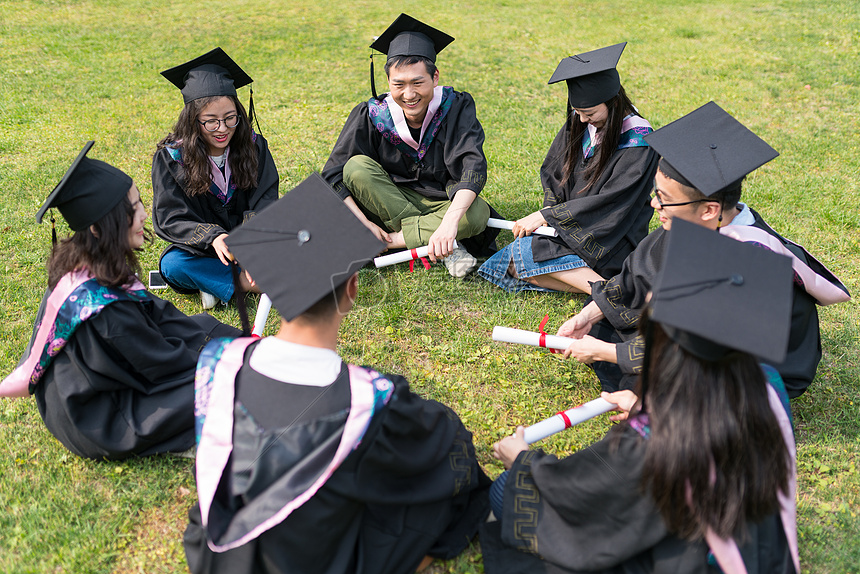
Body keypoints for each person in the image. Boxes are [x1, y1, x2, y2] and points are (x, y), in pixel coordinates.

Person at [183, 174, 491, 574]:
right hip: (308, 558)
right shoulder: (368, 401)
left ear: (272, 293)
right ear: (352, 289)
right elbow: (441, 445)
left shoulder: (218, 364)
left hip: (219, 557)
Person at [481, 220, 800, 573]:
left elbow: (579, 489)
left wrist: (523, 460)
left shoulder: (656, 440)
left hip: (690, 559)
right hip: (752, 545)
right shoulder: (764, 385)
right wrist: (639, 405)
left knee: (504, 491)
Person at [557, 102, 849, 397]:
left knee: (661, 390)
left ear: (709, 209)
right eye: (656, 193)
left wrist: (607, 353)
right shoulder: (694, 222)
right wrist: (589, 317)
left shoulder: (748, 262)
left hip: (750, 371)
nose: (654, 204)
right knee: (604, 319)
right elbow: (637, 274)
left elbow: (694, 348)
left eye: (663, 198)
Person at [0, 142, 241, 461]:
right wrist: (229, 360)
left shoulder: (90, 260)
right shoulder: (103, 308)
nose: (144, 214)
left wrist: (234, 341)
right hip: (100, 419)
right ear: (100, 227)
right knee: (227, 383)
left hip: (94, 390)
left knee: (206, 329)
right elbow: (160, 364)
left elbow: (159, 316)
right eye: (133, 209)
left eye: (140, 202)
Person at [321, 14, 498, 278]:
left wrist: (450, 223)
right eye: (399, 84)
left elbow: (472, 166)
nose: (409, 94)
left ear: (435, 77)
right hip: (387, 197)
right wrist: (364, 224)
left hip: (443, 201)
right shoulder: (371, 114)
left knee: (476, 213)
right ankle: (441, 244)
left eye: (418, 82)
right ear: (388, 82)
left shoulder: (456, 107)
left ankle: (394, 241)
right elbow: (333, 174)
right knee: (356, 166)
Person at [478, 43, 657, 294]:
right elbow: (554, 172)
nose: (583, 119)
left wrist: (549, 217)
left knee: (523, 255)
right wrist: (550, 212)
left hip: (610, 236)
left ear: (613, 102)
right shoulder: (580, 123)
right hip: (568, 225)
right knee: (508, 264)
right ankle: (602, 288)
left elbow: (614, 202)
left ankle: (609, 291)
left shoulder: (637, 140)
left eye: (589, 112)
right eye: (578, 111)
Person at [153, 47, 279, 309]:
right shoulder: (171, 158)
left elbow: (266, 198)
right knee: (172, 264)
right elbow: (169, 217)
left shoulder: (254, 147)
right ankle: (247, 283)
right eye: (210, 121)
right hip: (202, 248)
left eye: (230, 118)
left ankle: (216, 284)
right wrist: (212, 236)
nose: (222, 129)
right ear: (193, 121)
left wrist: (251, 243)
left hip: (251, 242)